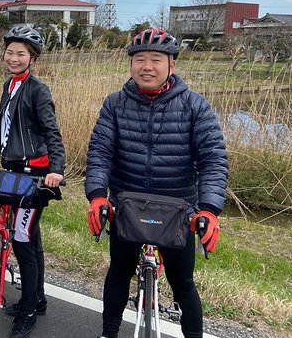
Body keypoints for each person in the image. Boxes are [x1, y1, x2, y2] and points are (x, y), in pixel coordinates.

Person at [84, 28, 228, 338]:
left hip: (177, 212)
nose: (146, 66)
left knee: (184, 284)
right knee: (118, 274)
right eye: (139, 59)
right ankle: (109, 333)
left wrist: (210, 209)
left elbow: (213, 159)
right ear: (131, 64)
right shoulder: (115, 104)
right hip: (127, 207)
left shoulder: (194, 106)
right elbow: (100, 152)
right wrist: (97, 195)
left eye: (155, 59)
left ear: (171, 66)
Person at [0, 26, 65, 338]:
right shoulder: (10, 84)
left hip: (35, 175)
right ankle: (38, 298)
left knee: (21, 237)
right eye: (10, 52)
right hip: (14, 169)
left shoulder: (37, 89)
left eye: (21, 53)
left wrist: (56, 168)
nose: (13, 58)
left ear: (32, 57)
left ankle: (28, 309)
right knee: (30, 238)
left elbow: (52, 131)